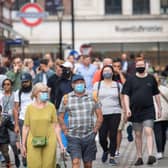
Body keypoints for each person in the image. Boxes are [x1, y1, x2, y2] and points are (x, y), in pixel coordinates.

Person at [122, 59, 162, 166]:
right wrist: (127, 109)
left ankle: (150, 155)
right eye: (138, 65)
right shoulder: (130, 79)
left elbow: (156, 94)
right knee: (138, 134)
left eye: (142, 65)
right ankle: (139, 157)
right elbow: (126, 94)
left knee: (148, 131)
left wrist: (159, 108)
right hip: (135, 111)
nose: (140, 66)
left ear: (146, 66)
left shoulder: (151, 78)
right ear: (135, 66)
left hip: (148, 109)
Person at [59, 74, 103, 168]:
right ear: (72, 85)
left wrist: (95, 130)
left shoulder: (93, 96)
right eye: (76, 83)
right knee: (75, 162)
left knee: (88, 165)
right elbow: (60, 116)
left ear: (85, 83)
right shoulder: (66, 98)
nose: (79, 84)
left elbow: (99, 116)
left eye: (81, 82)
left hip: (89, 136)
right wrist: (65, 130)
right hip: (73, 137)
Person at [22, 83, 64, 168]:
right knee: (34, 165)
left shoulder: (51, 107)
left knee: (48, 165)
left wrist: (61, 144)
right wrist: (23, 144)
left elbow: (56, 126)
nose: (46, 93)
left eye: (46, 91)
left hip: (49, 141)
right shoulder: (29, 108)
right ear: (36, 93)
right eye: (43, 91)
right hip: (33, 141)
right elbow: (26, 127)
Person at [93, 65, 123, 165]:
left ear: (112, 72)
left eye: (109, 70)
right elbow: (94, 98)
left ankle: (112, 156)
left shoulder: (118, 85)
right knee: (102, 137)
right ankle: (106, 150)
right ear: (102, 73)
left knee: (113, 135)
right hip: (101, 114)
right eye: (105, 71)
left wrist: (126, 111)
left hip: (115, 112)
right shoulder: (97, 85)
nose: (107, 72)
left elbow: (122, 99)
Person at [13, 72, 33, 167]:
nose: (24, 83)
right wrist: (16, 124)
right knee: (24, 141)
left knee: (34, 140)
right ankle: (25, 161)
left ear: (30, 81)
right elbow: (16, 109)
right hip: (23, 120)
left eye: (26, 81)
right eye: (23, 82)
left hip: (35, 120)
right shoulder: (18, 93)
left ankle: (34, 159)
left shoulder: (35, 91)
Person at [1, 79, 20, 167]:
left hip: (12, 121)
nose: (6, 86)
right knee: (3, 143)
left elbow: (16, 109)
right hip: (3, 122)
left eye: (8, 84)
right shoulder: (1, 95)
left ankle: (16, 156)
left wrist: (16, 124)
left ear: (11, 85)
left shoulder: (15, 95)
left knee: (13, 142)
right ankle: (7, 160)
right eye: (4, 84)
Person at [153, 74, 168, 159]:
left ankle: (159, 151)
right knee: (163, 132)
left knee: (158, 132)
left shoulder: (148, 90)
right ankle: (161, 150)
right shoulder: (165, 89)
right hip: (166, 114)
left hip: (155, 114)